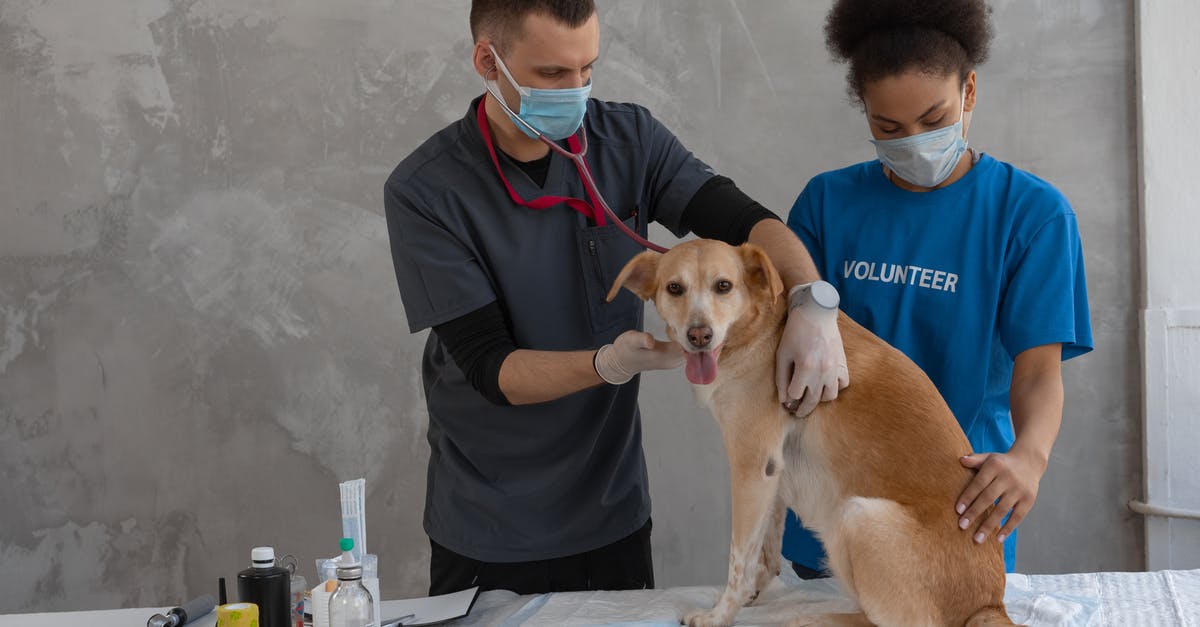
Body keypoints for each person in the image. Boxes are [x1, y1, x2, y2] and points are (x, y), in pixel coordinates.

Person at [384, 0, 848, 596]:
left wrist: (812, 303)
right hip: (491, 522)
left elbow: (747, 220)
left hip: (611, 512)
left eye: (587, 70)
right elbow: (490, 367)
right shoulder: (426, 191)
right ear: (486, 60)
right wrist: (610, 364)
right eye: (553, 75)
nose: (575, 92)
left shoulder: (628, 140)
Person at [782, 0, 1094, 577]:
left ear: (969, 91)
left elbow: (1039, 373)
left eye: (934, 119)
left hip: (959, 507)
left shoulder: (1031, 215)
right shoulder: (826, 205)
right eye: (888, 128)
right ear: (866, 113)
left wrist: (1028, 459)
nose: (914, 143)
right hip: (834, 506)